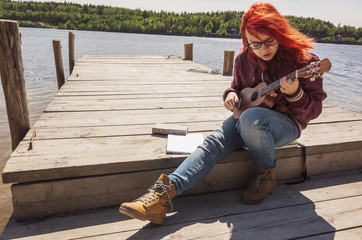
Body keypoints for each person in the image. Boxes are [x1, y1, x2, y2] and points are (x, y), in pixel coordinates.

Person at [119, 2, 327, 225]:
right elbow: (237, 87)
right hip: (247, 116)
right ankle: (161, 196)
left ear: (279, 33)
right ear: (246, 40)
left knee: (250, 119)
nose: (262, 49)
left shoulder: (304, 63)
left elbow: (313, 111)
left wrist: (295, 93)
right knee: (213, 141)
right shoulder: (243, 60)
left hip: (286, 125)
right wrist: (229, 94)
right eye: (254, 43)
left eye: (269, 41)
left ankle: (266, 173)